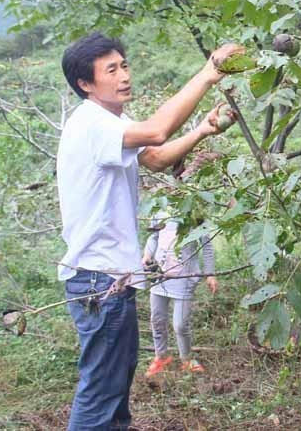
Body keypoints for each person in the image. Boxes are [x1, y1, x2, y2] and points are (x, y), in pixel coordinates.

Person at [56, 32, 242, 431]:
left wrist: (201, 132)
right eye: (111, 69)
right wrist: (209, 73)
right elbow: (157, 132)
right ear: (85, 84)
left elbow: (155, 158)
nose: (124, 75)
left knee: (114, 387)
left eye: (124, 65)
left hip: (110, 278)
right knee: (102, 391)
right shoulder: (90, 124)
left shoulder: (111, 122)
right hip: (98, 280)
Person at [142, 156, 220, 377]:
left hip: (184, 275)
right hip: (160, 274)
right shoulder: (161, 208)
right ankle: (161, 356)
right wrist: (147, 256)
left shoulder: (195, 212)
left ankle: (186, 359)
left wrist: (210, 274)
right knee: (157, 319)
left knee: (180, 324)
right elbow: (153, 237)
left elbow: (206, 246)